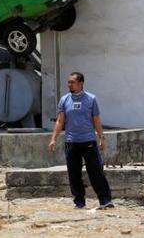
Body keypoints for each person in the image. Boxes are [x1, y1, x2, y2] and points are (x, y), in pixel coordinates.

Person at [48, 72, 114, 209]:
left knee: (96, 171)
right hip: (71, 142)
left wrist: (102, 138)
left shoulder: (91, 99)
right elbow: (60, 121)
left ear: (80, 83)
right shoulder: (64, 100)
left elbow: (96, 120)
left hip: (88, 141)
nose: (69, 84)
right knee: (74, 174)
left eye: (72, 82)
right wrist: (53, 139)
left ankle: (105, 200)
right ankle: (79, 202)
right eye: (68, 82)